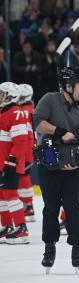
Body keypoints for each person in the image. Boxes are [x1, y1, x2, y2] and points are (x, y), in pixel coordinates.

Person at [32, 67, 79, 273]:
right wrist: (59, 132)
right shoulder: (50, 99)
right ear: (68, 87)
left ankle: (77, 248)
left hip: (73, 168)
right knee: (51, 209)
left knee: (73, 208)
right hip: (50, 165)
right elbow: (36, 122)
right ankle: (49, 248)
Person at [0, 82, 31, 244]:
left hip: (9, 163)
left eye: (2, 94)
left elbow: (21, 141)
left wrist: (11, 162)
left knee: (11, 194)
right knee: (2, 196)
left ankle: (21, 228)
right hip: (2, 162)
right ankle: (7, 226)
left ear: (10, 96)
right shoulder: (3, 111)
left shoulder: (15, 112)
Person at [17, 84, 35, 222]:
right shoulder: (28, 109)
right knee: (23, 176)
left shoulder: (25, 110)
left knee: (23, 176)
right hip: (28, 147)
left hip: (26, 148)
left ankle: (27, 206)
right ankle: (27, 205)